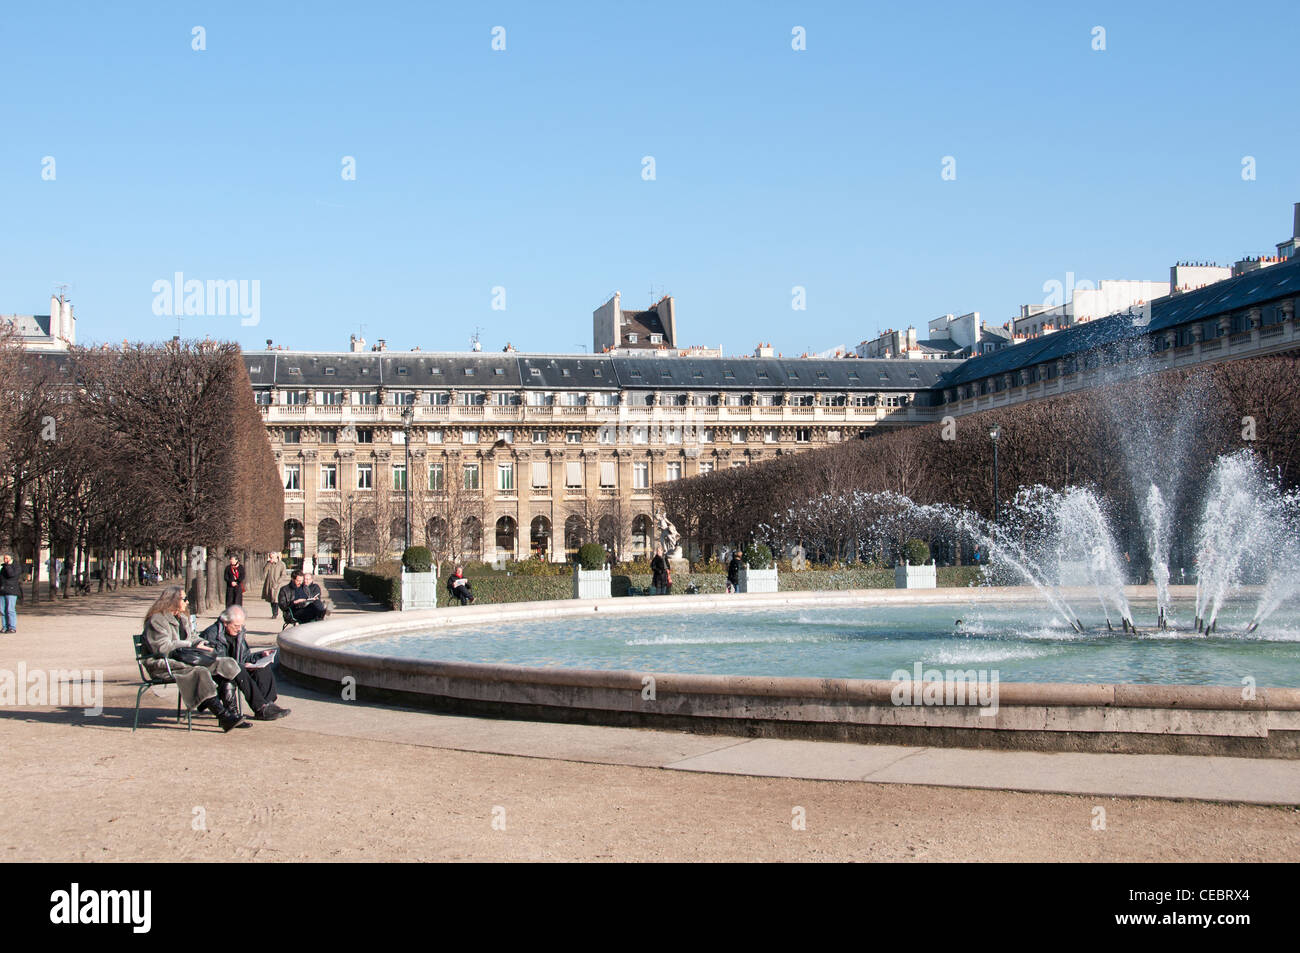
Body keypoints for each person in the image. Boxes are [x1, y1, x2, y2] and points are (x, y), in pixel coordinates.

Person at [140, 586, 248, 731]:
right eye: (184, 599)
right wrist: (189, 644)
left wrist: (200, 643)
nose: (187, 602)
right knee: (199, 672)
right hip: (164, 664)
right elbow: (162, 648)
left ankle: (231, 712)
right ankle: (223, 716)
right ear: (172, 600)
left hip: (185, 659)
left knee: (225, 663)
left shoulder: (182, 618)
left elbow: (192, 636)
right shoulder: (157, 620)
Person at [199, 605, 290, 721]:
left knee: (262, 667)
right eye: (236, 626)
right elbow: (218, 661)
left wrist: (260, 656)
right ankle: (260, 708)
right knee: (240, 669)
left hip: (235, 667)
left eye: (241, 625)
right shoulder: (211, 634)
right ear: (225, 622)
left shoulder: (239, 634)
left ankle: (268, 704)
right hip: (217, 672)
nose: (239, 629)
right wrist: (242, 665)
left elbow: (245, 656)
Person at [261, 553, 288, 619]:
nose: (271, 558)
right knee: (271, 599)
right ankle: (274, 613)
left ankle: (278, 613)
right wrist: (268, 563)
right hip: (269, 584)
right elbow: (264, 571)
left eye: (272, 557)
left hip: (278, 584)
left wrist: (278, 582)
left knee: (276, 599)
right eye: (270, 557)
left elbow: (284, 575)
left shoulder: (281, 564)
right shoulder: (269, 563)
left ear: (276, 557)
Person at [1, 554, 21, 633]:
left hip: (11, 591)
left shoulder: (16, 567)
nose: (5, 560)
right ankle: (5, 627)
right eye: (4, 558)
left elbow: (11, 575)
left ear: (11, 559)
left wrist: (8, 566)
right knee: (2, 610)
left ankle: (12, 627)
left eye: (7, 558)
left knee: (10, 609)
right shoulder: (3, 567)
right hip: (2, 591)